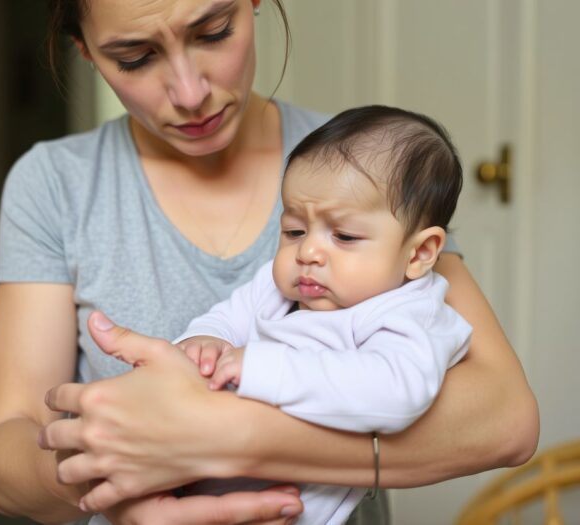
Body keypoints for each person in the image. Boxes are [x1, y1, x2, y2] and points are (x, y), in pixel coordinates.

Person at [0, 1, 539, 525]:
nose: (190, 92)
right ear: (86, 51)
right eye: (135, 57)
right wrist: (104, 479)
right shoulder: (55, 184)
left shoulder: (364, 168)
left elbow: (505, 420)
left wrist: (219, 436)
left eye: (214, 32)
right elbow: (6, 451)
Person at [174, 105, 472, 524]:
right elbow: (228, 316)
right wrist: (204, 340)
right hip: (192, 481)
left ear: (419, 253)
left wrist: (263, 368)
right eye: (294, 230)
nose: (308, 252)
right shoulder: (280, 285)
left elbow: (396, 392)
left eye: (344, 236)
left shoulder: (411, 312)